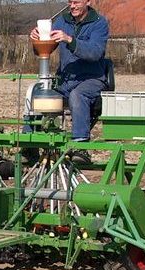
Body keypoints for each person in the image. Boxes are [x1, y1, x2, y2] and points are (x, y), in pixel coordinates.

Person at [29, 0, 109, 163]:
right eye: (70, 2)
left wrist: (70, 40)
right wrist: (38, 38)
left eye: (77, 2)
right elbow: (45, 49)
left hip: (91, 79)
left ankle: (81, 147)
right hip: (65, 81)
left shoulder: (99, 23)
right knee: (35, 93)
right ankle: (28, 145)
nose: (72, 6)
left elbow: (95, 52)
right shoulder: (62, 21)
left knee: (77, 95)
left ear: (88, 2)